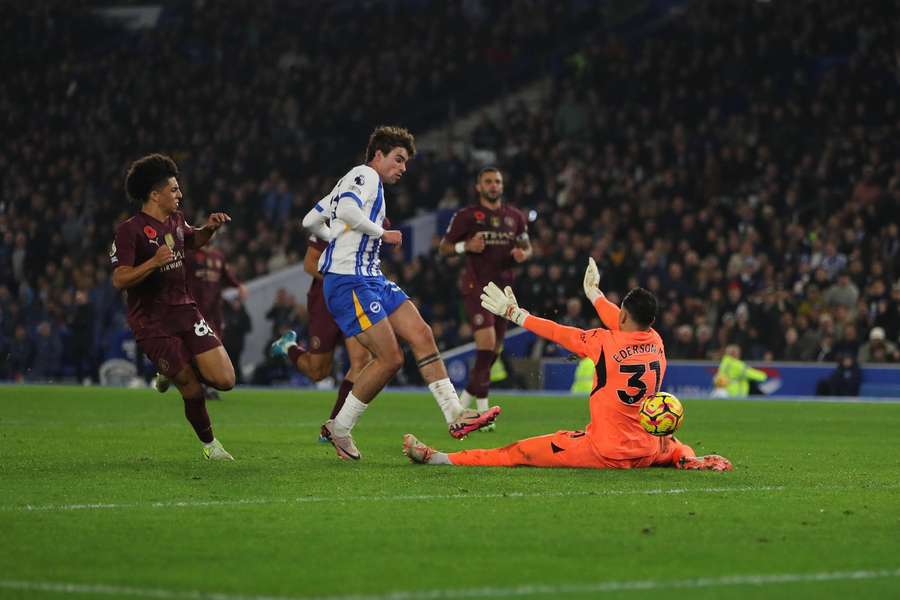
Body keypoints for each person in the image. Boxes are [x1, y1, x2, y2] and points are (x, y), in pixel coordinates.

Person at [402, 259, 732, 472]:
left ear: (623, 316)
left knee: (518, 452)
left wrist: (516, 315)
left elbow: (559, 332)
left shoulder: (605, 342)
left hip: (605, 450)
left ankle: (440, 458)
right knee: (674, 447)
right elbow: (619, 319)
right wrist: (594, 294)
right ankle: (687, 459)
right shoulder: (657, 341)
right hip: (646, 448)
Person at [300, 126, 500, 460]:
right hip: (350, 281)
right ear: (378, 155)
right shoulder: (365, 175)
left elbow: (309, 221)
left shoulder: (354, 180)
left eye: (405, 161)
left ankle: (455, 414)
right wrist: (383, 233)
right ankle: (341, 427)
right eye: (398, 159)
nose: (403, 168)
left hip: (370, 276)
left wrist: (332, 233)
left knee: (422, 333)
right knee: (391, 358)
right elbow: (348, 212)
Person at [110, 153, 236, 460]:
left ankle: (173, 367)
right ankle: (210, 446)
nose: (180, 194)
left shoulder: (177, 221)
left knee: (225, 380)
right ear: (155, 194)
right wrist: (153, 262)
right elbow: (119, 279)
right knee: (191, 388)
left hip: (185, 310)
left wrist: (209, 229)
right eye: (174, 189)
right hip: (152, 321)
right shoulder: (130, 231)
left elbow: (192, 241)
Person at [438, 167, 531, 425]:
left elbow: (527, 247)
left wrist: (524, 255)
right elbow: (444, 247)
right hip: (476, 286)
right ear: (479, 187)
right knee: (487, 345)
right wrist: (465, 246)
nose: (493, 186)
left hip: (505, 289)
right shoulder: (467, 216)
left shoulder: (515, 217)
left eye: (497, 181)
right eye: (488, 182)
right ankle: (469, 410)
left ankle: (472, 405)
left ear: (502, 185)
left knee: (494, 351)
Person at [270, 230, 374, 443]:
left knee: (362, 361)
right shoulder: (332, 218)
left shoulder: (377, 218)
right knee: (318, 372)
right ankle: (289, 345)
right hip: (326, 299)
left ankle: (335, 426)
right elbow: (310, 264)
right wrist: (342, 280)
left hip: (356, 298)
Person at [154, 238, 247, 399]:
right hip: (193, 312)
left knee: (213, 351)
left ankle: (194, 382)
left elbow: (229, 278)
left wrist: (238, 286)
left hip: (214, 315)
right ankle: (171, 370)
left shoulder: (219, 257)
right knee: (194, 351)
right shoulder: (189, 256)